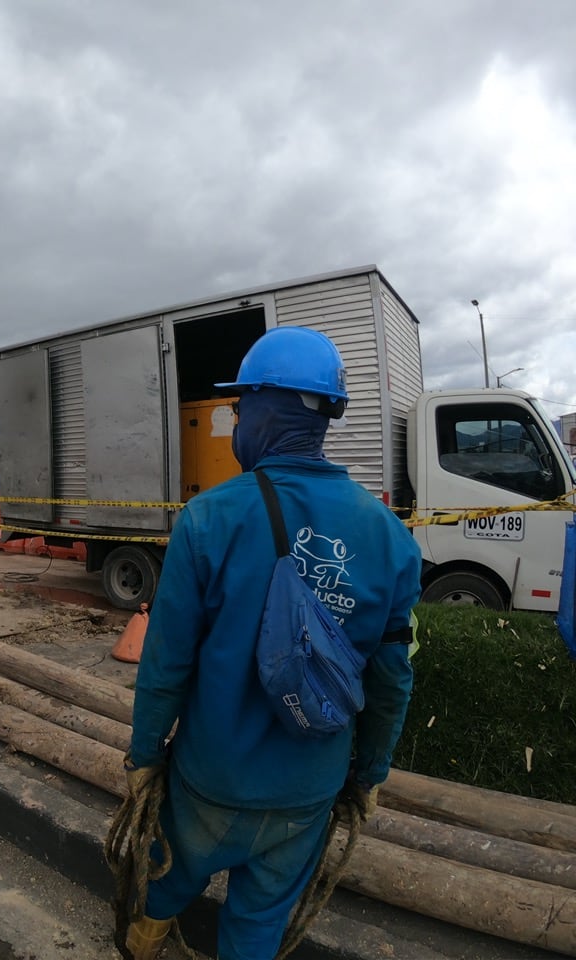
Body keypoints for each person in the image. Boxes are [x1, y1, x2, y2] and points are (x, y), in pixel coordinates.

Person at [123, 328, 421, 960]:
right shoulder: (390, 537)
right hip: (308, 791)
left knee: (167, 876)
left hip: (210, 781)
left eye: (237, 409)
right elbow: (391, 680)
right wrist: (368, 775)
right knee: (258, 923)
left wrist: (145, 755)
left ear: (259, 408)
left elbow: (166, 662)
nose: (234, 424)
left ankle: (141, 944)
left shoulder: (208, 520)